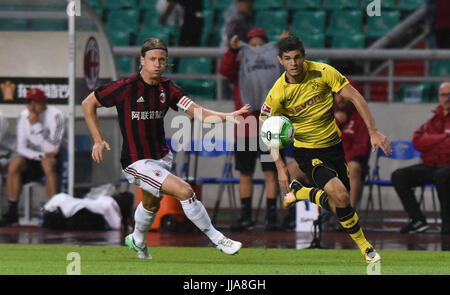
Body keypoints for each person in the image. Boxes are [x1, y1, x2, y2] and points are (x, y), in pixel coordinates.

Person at [82, 38, 248, 259]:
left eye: (162, 59)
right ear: (142, 61)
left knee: (150, 204)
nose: (157, 63)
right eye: (152, 59)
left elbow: (197, 112)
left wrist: (226, 117)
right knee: (185, 191)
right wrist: (98, 139)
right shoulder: (126, 87)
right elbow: (88, 103)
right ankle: (218, 239)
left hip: (161, 157)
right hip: (135, 161)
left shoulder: (167, 89)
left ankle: (137, 240)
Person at [260, 35, 392, 264]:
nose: (294, 63)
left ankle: (302, 193)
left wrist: (373, 131)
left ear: (304, 57)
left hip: (334, 147)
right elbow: (267, 132)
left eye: (297, 57)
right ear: (280, 60)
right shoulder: (277, 94)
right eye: (288, 59)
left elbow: (356, 98)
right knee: (339, 193)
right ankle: (366, 248)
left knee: (342, 203)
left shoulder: (323, 72)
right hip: (308, 152)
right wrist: (281, 168)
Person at [219, 28, 286, 231]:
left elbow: (294, 69)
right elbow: (224, 71)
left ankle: (271, 218)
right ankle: (246, 216)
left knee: (270, 173)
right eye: (252, 45)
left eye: (260, 44)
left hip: (270, 125)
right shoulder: (239, 63)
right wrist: (232, 49)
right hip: (246, 126)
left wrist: (285, 45)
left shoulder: (278, 61)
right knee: (245, 172)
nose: (256, 49)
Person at [391, 81, 450, 235]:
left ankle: (447, 225)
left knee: (442, 175)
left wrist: (431, 141)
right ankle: (418, 220)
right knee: (399, 175)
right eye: (444, 94)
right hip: (431, 165)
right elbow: (417, 141)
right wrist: (444, 137)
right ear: (439, 97)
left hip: (447, 167)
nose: (447, 98)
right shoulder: (434, 119)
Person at [0, 88, 65, 227]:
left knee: (48, 164)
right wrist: (40, 156)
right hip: (36, 156)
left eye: (36, 103)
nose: (32, 107)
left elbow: (53, 148)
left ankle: (53, 211)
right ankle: (12, 212)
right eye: (29, 103)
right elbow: (21, 147)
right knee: (14, 163)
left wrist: (36, 125)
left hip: (53, 158)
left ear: (43, 103)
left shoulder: (56, 115)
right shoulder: (24, 116)